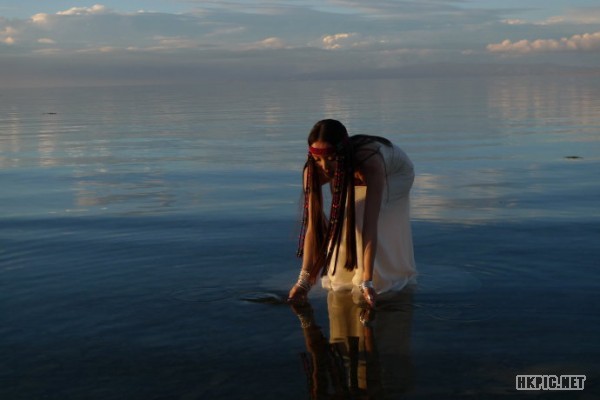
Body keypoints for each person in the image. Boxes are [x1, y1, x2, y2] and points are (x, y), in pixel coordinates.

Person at [288, 119, 417, 307]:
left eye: (331, 158)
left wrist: (367, 282)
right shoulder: (312, 172)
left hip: (395, 175)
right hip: (349, 170)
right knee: (342, 220)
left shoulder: (370, 163)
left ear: (341, 154)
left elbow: (369, 226)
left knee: (359, 217)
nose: (325, 167)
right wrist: (303, 281)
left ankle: (374, 280)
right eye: (317, 159)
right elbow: (312, 227)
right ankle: (345, 278)